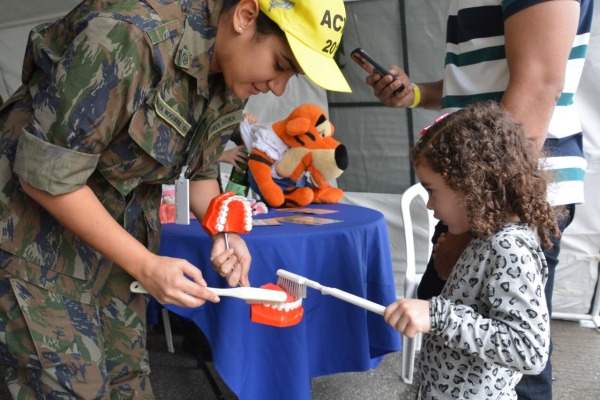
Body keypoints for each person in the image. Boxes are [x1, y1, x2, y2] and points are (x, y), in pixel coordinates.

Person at [0, 0, 351, 398]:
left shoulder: (234, 71)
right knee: (69, 387)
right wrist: (147, 265)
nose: (279, 87)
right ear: (246, 16)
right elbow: (45, 177)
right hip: (31, 240)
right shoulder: (129, 36)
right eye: (282, 64)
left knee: (128, 381)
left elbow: (200, 170)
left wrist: (224, 231)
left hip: (114, 244)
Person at [365, 1, 593, 397]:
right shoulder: (463, 199)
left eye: (429, 192)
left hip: (492, 198)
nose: (427, 204)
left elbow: (539, 84)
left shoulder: (504, 242)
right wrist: (417, 93)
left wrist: (480, 224)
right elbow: (476, 86)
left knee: (523, 381)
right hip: (475, 190)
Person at [385, 102, 562, 399]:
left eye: (431, 190)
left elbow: (529, 350)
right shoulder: (481, 235)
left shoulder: (508, 248)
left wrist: (438, 316)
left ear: (471, 185)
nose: (429, 204)